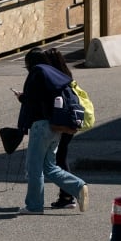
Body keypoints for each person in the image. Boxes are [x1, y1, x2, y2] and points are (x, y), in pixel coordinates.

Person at [14, 47, 88, 215]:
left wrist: (21, 97)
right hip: (55, 126)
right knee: (49, 166)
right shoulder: (54, 74)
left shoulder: (37, 73)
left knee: (34, 168)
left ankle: (34, 206)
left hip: (40, 126)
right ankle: (78, 186)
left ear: (29, 62)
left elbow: (33, 101)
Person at [44, 48, 77, 209]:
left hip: (59, 123)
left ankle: (69, 193)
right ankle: (67, 194)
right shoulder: (67, 76)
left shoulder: (53, 79)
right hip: (69, 122)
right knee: (61, 157)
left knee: (58, 160)